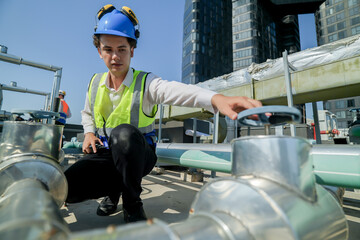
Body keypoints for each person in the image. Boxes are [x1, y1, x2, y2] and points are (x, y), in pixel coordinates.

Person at [64, 4, 262, 223]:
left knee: (123, 135)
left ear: (132, 50)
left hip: (139, 155)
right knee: (66, 188)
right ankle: (114, 191)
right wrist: (89, 133)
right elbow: (87, 113)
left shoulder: (146, 82)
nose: (115, 56)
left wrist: (216, 99)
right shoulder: (94, 83)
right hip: (107, 154)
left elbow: (177, 91)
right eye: (108, 49)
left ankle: (132, 204)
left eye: (121, 49)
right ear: (99, 51)